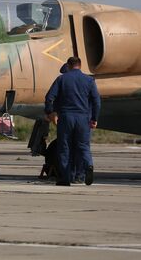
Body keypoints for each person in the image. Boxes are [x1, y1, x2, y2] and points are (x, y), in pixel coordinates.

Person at [44, 56, 101, 186]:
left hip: (66, 117)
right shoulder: (89, 80)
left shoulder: (61, 79)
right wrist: (94, 118)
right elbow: (97, 101)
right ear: (80, 66)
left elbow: (49, 98)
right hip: (83, 118)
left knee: (64, 148)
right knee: (83, 147)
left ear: (68, 66)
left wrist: (50, 112)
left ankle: (65, 178)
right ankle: (89, 166)